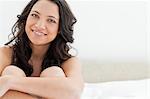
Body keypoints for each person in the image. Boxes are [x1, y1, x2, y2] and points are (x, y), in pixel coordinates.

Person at [0, 0, 84, 99]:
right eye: (35, 15)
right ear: (26, 18)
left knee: (54, 72)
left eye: (51, 20)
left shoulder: (69, 62)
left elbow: (73, 91)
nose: (39, 25)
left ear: (60, 28)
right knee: (12, 71)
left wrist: (10, 81)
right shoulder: (6, 53)